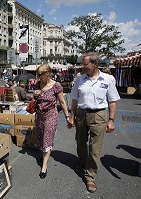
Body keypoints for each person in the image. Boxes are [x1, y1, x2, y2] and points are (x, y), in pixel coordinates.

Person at [68, 52, 120, 193]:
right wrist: (72, 116)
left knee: (95, 147)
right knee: (80, 141)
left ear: (95, 64)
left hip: (98, 115)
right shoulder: (80, 79)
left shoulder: (108, 79)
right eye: (82, 64)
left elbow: (112, 101)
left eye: (85, 64)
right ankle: (83, 159)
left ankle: (90, 175)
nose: (82, 66)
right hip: (81, 114)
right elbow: (74, 99)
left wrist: (111, 120)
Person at [33, 64, 70, 179]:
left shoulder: (56, 85)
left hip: (51, 116)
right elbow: (35, 100)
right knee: (40, 137)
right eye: (37, 74)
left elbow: (62, 102)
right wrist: (34, 95)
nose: (38, 77)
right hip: (39, 115)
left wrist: (67, 116)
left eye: (40, 75)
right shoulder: (38, 84)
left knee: (47, 139)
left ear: (47, 74)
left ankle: (44, 166)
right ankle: (44, 155)